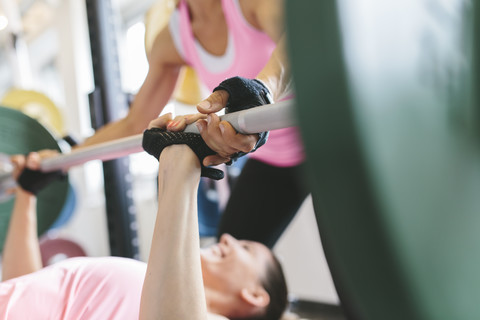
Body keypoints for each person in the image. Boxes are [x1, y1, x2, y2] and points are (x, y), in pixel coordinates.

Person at [1, 114, 288, 320]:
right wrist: (28, 193)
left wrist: (183, 164)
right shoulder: (149, 286)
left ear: (254, 295)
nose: (228, 238)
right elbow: (26, 289)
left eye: (247, 249)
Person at [76, 0, 308, 249]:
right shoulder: (174, 37)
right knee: (226, 269)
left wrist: (262, 92)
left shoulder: (248, 4)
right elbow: (135, 123)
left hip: (330, 138)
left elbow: (299, 42)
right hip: (276, 160)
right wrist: (65, 155)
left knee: (350, 276)